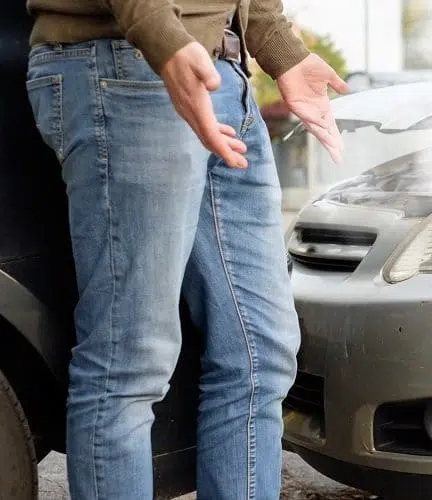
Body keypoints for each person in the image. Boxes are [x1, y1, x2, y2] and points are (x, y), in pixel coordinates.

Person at [23, 1, 348, 498]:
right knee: (129, 359)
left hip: (223, 76)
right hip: (128, 63)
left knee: (260, 354)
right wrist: (164, 40)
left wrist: (279, 48)